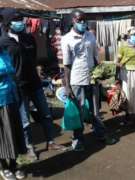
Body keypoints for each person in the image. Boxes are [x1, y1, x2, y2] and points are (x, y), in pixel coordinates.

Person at [0, 8, 65, 160]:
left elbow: (34, 59)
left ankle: (51, 141)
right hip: (18, 87)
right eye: (17, 20)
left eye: (21, 19)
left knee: (46, 114)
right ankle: (29, 148)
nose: (21, 23)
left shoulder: (29, 38)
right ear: (9, 23)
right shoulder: (3, 42)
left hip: (34, 83)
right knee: (24, 120)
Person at [61, 10, 116, 151]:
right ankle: (78, 139)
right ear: (73, 20)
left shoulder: (90, 35)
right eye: (79, 20)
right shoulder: (66, 39)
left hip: (92, 79)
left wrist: (100, 74)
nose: (83, 23)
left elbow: (95, 58)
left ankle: (101, 135)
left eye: (84, 20)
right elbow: (66, 65)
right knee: (78, 110)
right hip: (76, 80)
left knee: (95, 110)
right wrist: (67, 86)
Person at [0, 48, 27, 179]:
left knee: (13, 133)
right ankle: (3, 166)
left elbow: (13, 75)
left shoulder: (5, 53)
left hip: (11, 98)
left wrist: (19, 92)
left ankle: (13, 164)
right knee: (2, 135)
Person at [117, 26, 135, 122]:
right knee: (129, 93)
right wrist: (117, 75)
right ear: (129, 35)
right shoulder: (123, 45)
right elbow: (117, 61)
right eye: (134, 34)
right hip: (127, 73)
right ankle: (128, 115)